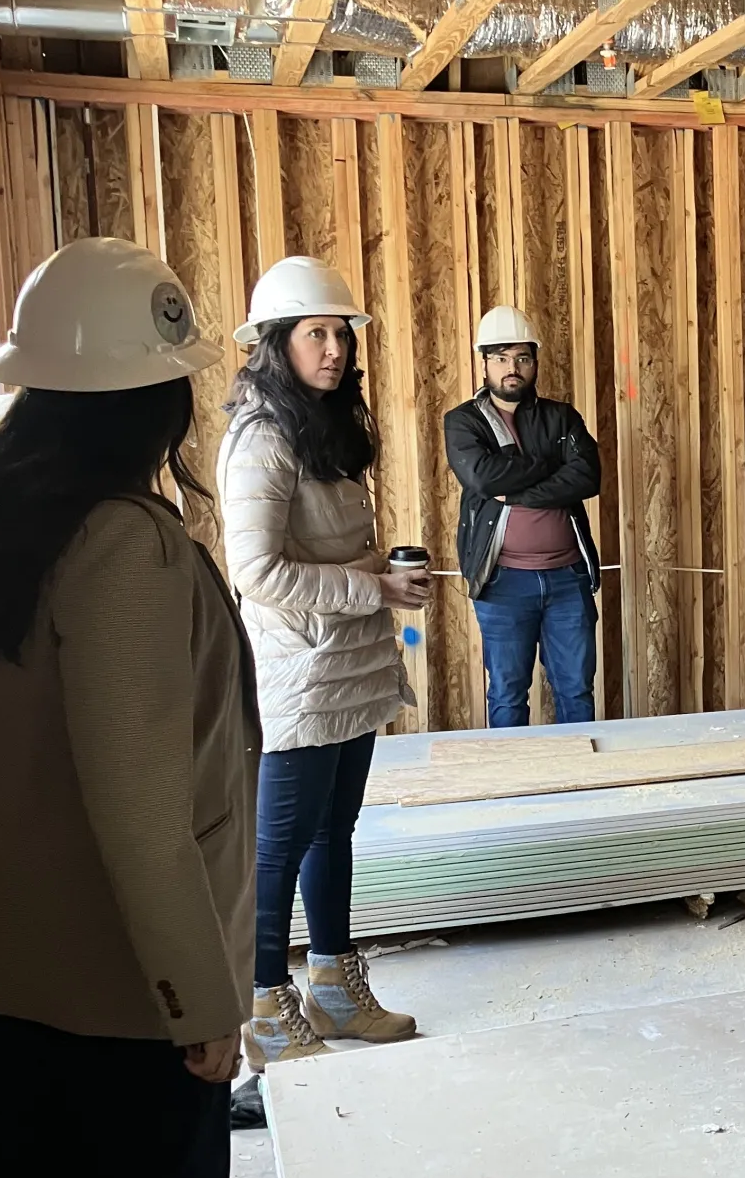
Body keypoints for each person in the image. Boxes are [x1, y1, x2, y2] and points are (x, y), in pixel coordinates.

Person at [0, 239, 291, 1178]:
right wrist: (202, 1003)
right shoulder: (120, 550)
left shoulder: (8, 519)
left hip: (13, 959)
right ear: (151, 403)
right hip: (122, 978)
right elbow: (140, 814)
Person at [218, 257, 423, 1068]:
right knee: (280, 842)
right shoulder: (262, 437)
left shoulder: (324, 427)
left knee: (333, 829)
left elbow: (329, 547)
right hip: (301, 672)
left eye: (341, 333)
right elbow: (256, 572)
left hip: (349, 665)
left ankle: (333, 986)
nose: (334, 348)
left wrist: (387, 574)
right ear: (277, 342)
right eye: (316, 333)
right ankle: (266, 1005)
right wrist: (372, 584)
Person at [443, 305, 602, 727]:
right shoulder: (464, 421)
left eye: (522, 358)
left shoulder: (561, 417)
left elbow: (587, 476)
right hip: (503, 582)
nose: (511, 368)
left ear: (534, 363)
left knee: (576, 689)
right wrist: (551, 463)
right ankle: (512, 790)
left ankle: (581, 786)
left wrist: (512, 492)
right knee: (508, 694)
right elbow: (482, 476)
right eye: (500, 358)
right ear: (484, 363)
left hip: (568, 579)